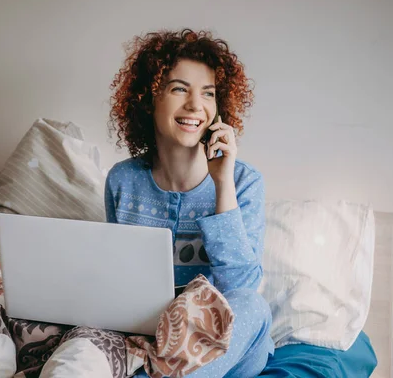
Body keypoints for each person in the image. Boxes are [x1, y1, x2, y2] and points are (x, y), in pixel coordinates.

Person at [105, 29, 274, 377]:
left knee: (254, 305)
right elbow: (117, 281)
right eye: (179, 88)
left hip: (227, 345)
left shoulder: (244, 181)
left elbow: (240, 288)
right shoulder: (122, 180)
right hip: (151, 336)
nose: (196, 105)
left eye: (208, 93)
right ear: (149, 99)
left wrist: (222, 184)